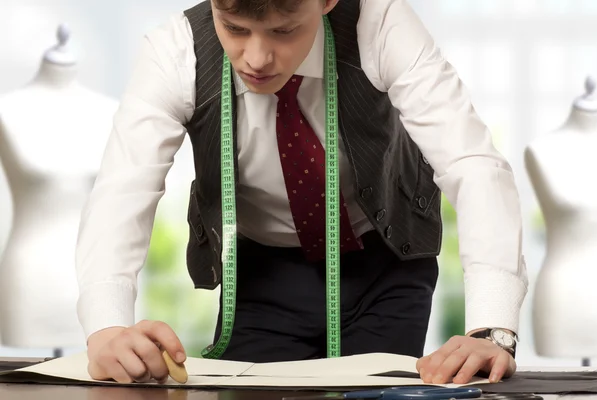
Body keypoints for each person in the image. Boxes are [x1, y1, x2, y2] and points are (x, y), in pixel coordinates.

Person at [76, 0, 528, 387]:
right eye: (234, 27)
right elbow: (123, 187)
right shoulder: (176, 51)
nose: (255, 57)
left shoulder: (382, 24)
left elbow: (473, 166)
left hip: (385, 261)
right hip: (262, 273)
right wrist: (106, 328)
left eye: (284, 30)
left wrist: (491, 331)